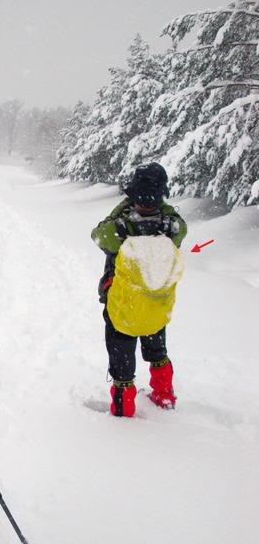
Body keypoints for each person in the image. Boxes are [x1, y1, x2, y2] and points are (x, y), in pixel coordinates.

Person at [91, 163, 187, 417]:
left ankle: (123, 411)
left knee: (122, 360)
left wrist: (125, 205)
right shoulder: (172, 226)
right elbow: (181, 230)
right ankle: (164, 397)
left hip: (122, 304)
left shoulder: (120, 226)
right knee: (158, 352)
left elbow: (98, 235)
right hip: (155, 302)